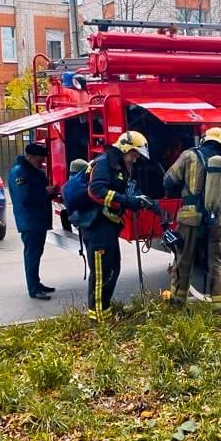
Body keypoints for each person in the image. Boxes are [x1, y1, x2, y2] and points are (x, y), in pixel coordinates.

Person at [80, 131, 152, 320]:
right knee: (101, 273)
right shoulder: (104, 163)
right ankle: (97, 318)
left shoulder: (116, 165)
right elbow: (96, 191)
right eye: (135, 154)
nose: (135, 159)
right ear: (126, 147)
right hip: (96, 226)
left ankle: (105, 312)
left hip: (107, 226)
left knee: (113, 268)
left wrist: (133, 199)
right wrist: (126, 201)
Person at [163, 127, 221, 313]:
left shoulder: (189, 156)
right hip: (217, 222)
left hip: (190, 218)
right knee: (217, 262)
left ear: (204, 140)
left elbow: (168, 181)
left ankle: (177, 304)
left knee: (184, 259)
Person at [8, 141, 58, 300]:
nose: (41, 162)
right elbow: (24, 198)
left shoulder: (35, 171)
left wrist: (52, 193)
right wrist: (45, 192)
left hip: (38, 219)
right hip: (29, 221)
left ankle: (36, 283)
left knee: (37, 252)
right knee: (32, 254)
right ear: (29, 157)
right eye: (38, 159)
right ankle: (33, 288)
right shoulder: (20, 173)